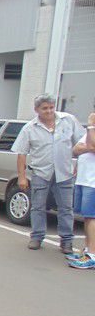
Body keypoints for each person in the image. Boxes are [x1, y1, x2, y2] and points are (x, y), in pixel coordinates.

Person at [12, 94, 85, 253]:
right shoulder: (30, 128)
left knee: (66, 208)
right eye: (45, 108)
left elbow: (81, 144)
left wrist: (79, 165)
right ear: (37, 110)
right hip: (41, 173)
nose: (49, 111)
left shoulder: (68, 120)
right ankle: (37, 237)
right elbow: (21, 153)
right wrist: (22, 177)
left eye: (51, 107)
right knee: (38, 207)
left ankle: (66, 241)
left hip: (64, 173)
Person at [68, 113, 95, 268]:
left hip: (93, 182)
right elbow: (76, 149)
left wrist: (91, 125)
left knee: (92, 217)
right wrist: (87, 147)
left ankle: (92, 254)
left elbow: (92, 146)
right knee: (87, 217)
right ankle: (88, 250)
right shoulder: (91, 131)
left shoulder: (91, 129)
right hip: (84, 179)